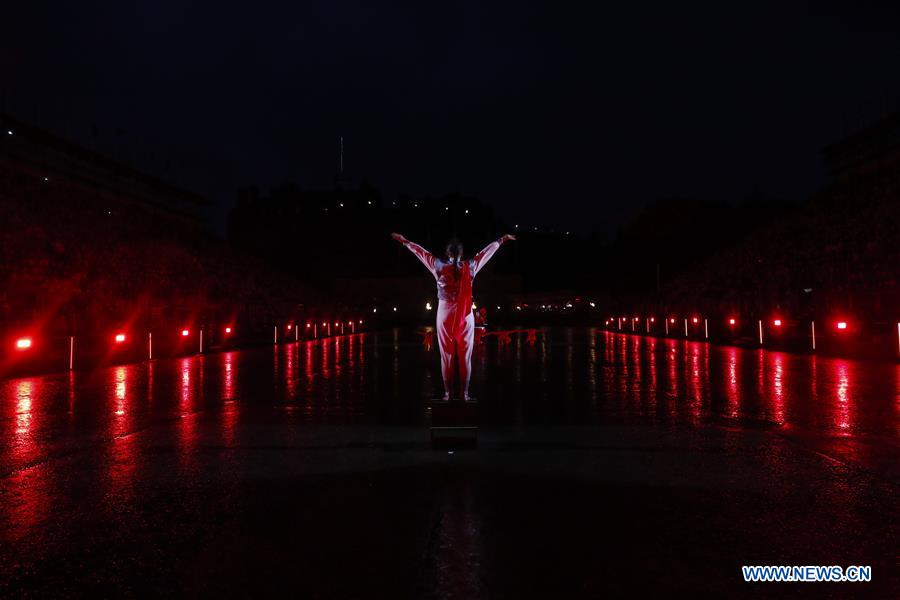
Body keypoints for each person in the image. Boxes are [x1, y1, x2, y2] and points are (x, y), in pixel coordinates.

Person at [392, 232, 516, 401]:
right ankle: (464, 394)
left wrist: (405, 241)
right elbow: (485, 253)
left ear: (447, 253)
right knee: (465, 356)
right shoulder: (470, 266)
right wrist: (501, 240)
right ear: (461, 253)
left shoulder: (438, 265)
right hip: (465, 315)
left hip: (445, 314)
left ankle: (448, 393)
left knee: (447, 355)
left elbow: (420, 252)